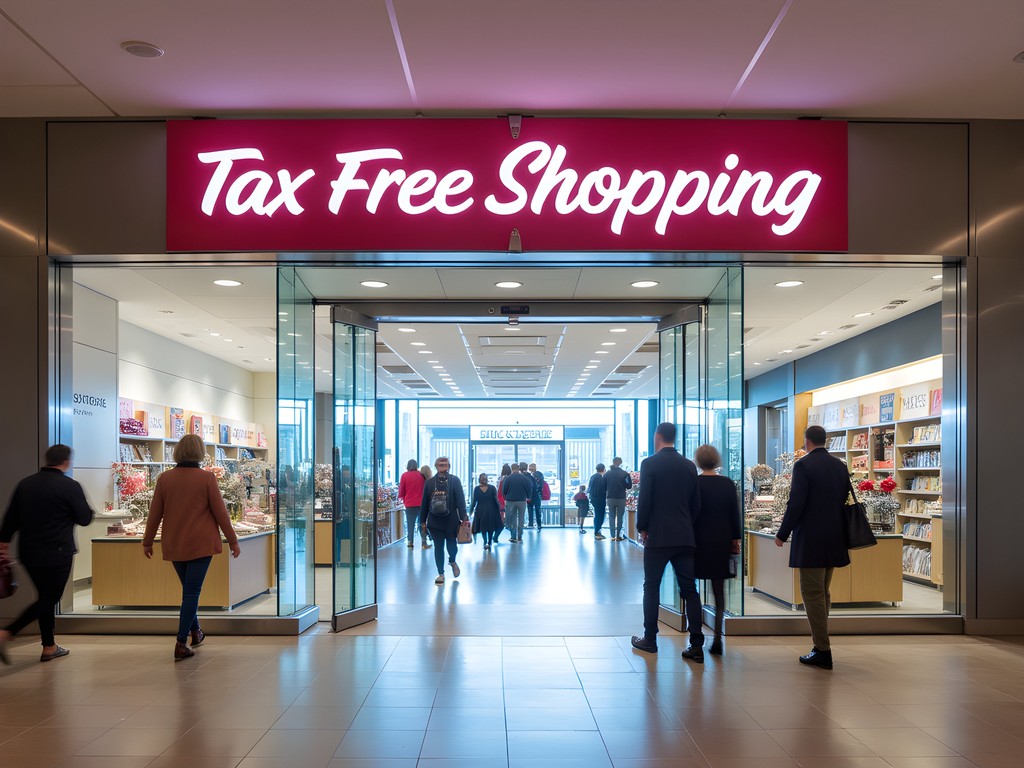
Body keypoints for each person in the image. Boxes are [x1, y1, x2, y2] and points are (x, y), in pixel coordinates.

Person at [142, 434, 241, 661]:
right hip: (201, 544)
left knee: (189, 591)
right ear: (200, 452)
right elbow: (221, 513)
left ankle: (196, 632)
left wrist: (147, 541)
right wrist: (233, 540)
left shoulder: (165, 479)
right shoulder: (207, 478)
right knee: (192, 592)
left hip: (175, 543)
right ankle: (181, 642)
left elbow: (155, 513)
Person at [0, 444, 94, 665]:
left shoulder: (26, 484)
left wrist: (3, 544)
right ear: (66, 461)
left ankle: (49, 646)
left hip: (29, 552)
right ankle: (7, 632)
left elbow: (10, 519)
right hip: (58, 551)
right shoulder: (69, 486)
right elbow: (84, 518)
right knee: (50, 597)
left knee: (44, 597)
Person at [775, 425, 851, 670]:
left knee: (812, 593)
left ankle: (822, 649)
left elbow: (796, 503)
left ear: (807, 441)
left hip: (811, 538)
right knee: (823, 592)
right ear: (825, 441)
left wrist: (783, 532)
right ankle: (821, 643)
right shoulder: (839, 466)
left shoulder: (803, 466)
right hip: (835, 535)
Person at [631, 422, 704, 662]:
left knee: (651, 586)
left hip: (658, 537)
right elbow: (696, 503)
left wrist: (642, 527)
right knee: (689, 589)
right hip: (684, 536)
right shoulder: (689, 465)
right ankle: (696, 644)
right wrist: (686, 524)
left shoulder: (649, 464)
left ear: (658, 436)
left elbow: (645, 499)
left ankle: (650, 639)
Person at [693, 444, 742, 656]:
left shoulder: (694, 484)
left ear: (698, 461)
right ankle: (717, 638)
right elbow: (734, 514)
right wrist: (735, 538)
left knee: (691, 589)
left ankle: (695, 637)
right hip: (721, 542)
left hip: (697, 541)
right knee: (719, 592)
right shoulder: (727, 484)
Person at [419, 456, 468, 584]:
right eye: (441, 465)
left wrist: (464, 517)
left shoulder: (455, 481)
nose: (443, 467)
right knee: (438, 547)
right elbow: (424, 503)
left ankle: (452, 560)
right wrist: (422, 521)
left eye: (445, 465)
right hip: (435, 521)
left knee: (452, 546)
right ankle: (440, 573)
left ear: (449, 466)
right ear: (436, 466)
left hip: (451, 520)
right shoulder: (429, 483)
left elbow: (461, 501)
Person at [399, 459, 430, 550]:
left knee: (410, 524)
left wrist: (404, 500)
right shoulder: (421, 475)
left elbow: (402, 491)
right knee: (422, 523)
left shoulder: (404, 475)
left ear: (408, 466)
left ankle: (410, 543)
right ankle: (424, 543)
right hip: (421, 504)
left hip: (409, 504)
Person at [501, 463, 532, 543]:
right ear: (518, 469)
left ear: (512, 469)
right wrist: (527, 496)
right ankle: (520, 537)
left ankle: (513, 536)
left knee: (512, 519)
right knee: (521, 518)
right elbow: (529, 489)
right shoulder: (525, 479)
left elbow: (504, 490)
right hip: (522, 501)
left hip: (510, 501)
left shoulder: (508, 479)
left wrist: (506, 496)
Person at [470, 473, 503, 551]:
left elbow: (474, 501)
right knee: (491, 527)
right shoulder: (492, 488)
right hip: (491, 510)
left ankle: (485, 542)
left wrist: (470, 511)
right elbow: (496, 500)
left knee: (483, 527)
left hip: (481, 510)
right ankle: (489, 542)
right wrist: (500, 508)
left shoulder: (477, 489)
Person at [604, 457, 633, 541]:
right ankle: (618, 536)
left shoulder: (607, 474)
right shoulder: (625, 474)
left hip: (610, 498)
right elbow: (629, 486)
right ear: (621, 462)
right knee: (620, 517)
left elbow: (603, 486)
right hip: (621, 498)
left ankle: (612, 535)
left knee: (611, 516)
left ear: (613, 462)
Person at [587, 463, 607, 539]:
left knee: (597, 515)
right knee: (600, 515)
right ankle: (597, 532)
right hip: (599, 499)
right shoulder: (600, 477)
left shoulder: (593, 476)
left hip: (593, 498)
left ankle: (597, 530)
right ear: (604, 469)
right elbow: (601, 489)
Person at [495, 463, 511, 542]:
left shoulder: (500, 479)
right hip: (510, 500)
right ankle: (513, 535)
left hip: (501, 501)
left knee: (500, 520)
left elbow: (499, 492)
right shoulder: (510, 478)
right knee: (511, 519)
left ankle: (496, 536)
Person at [528, 462, 544, 529]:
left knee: (530, 510)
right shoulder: (540, 474)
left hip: (531, 495)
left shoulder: (530, 476)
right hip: (538, 495)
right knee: (537, 510)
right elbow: (541, 484)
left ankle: (530, 523)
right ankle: (539, 524)